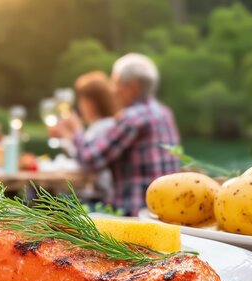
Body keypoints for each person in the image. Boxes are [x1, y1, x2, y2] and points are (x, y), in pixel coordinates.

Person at [50, 53, 180, 216]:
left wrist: (76, 130)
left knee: (56, 209)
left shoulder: (133, 118)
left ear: (131, 87)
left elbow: (90, 160)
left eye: (115, 82)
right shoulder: (163, 113)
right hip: (162, 210)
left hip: (134, 211)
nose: (111, 89)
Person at [72, 71, 119, 201]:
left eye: (83, 99)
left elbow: (86, 162)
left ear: (94, 102)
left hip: (101, 198)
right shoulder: (99, 125)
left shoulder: (106, 126)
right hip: (95, 194)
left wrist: (76, 130)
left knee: (38, 199)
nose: (80, 105)